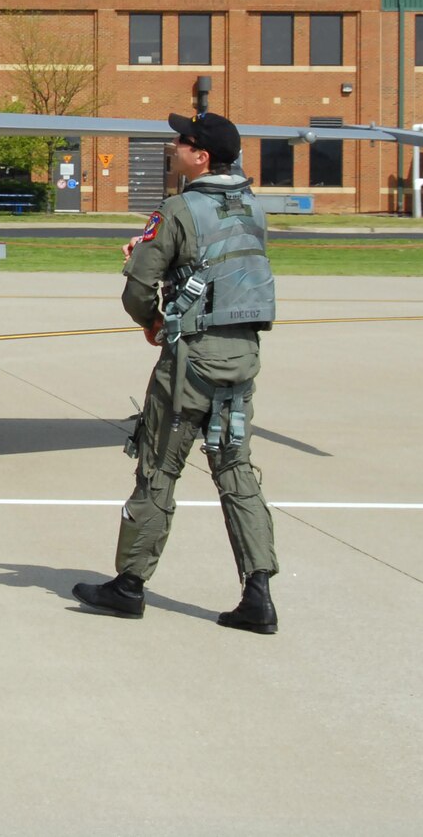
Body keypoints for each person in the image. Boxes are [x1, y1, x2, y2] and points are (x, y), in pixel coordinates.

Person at [74, 111, 281, 633]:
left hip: (191, 360)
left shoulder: (178, 209)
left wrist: (152, 319)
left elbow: (139, 289)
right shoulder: (254, 207)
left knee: (158, 466)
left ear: (202, 156)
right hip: (242, 357)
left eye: (181, 143)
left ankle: (129, 586)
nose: (173, 149)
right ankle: (258, 592)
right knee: (235, 468)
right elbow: (223, 269)